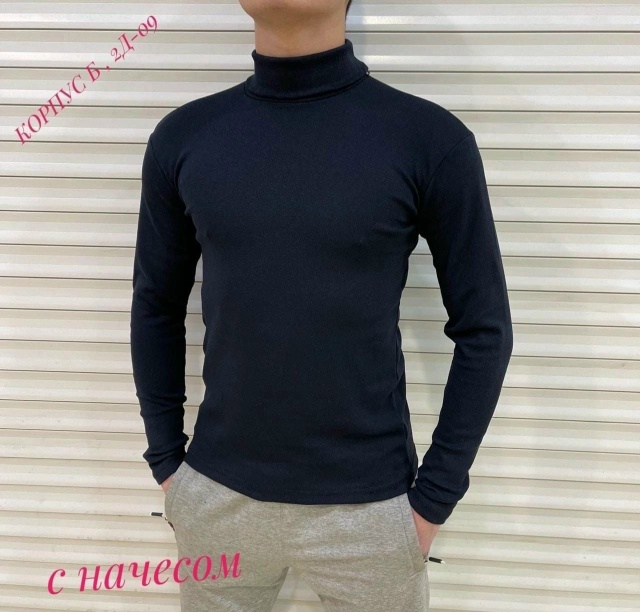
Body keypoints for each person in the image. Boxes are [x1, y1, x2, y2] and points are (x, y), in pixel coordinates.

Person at [130, 1, 513, 610]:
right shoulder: (185, 137)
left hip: (373, 511)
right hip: (215, 494)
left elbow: (484, 329)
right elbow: (155, 304)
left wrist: (432, 501)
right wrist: (169, 467)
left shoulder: (428, 139)